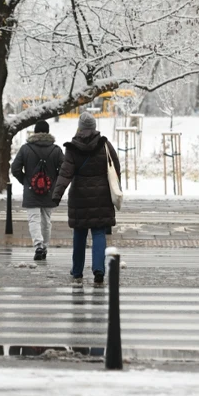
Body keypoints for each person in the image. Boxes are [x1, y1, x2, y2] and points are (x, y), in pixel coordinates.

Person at [51, 112, 120, 285]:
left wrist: (57, 195)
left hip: (79, 197)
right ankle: (99, 270)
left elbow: (65, 174)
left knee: (79, 234)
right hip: (101, 196)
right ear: (94, 127)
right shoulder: (105, 145)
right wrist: (116, 187)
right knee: (99, 233)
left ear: (80, 128)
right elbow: (115, 168)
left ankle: (77, 271)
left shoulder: (73, 148)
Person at [11, 120, 64, 261]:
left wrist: (26, 181)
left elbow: (15, 168)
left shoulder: (25, 149)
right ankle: (44, 246)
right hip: (49, 190)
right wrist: (53, 182)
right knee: (46, 220)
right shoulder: (56, 150)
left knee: (34, 219)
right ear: (48, 132)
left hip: (31, 190)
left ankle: (38, 246)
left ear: (35, 132)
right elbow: (64, 170)